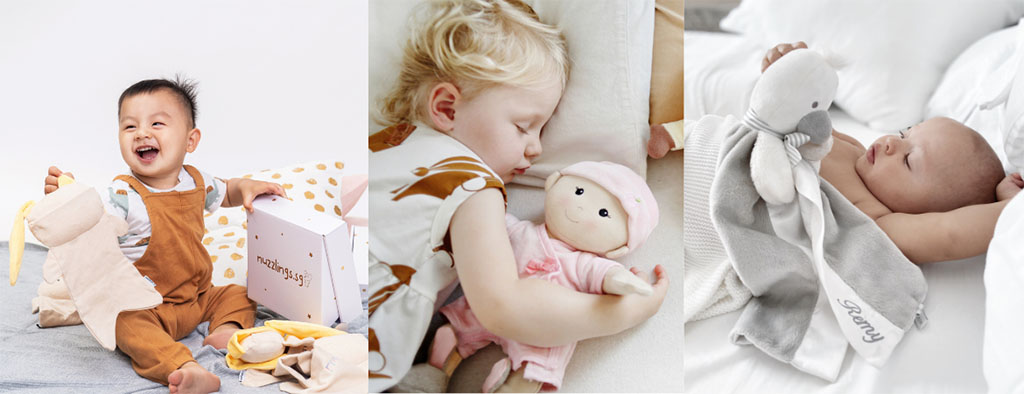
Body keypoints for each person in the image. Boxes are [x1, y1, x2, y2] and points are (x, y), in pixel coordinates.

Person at [366, 0, 668, 390]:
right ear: (446, 108)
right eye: (524, 126)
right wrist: (622, 312)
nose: (536, 149)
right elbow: (505, 307)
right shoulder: (472, 183)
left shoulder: (386, 143)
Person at [44, 78, 286, 394]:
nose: (142, 133)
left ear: (190, 140)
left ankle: (225, 330)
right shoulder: (122, 194)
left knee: (240, 293)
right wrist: (68, 199)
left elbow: (228, 192)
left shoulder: (198, 182)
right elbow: (90, 222)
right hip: (145, 305)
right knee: (124, 325)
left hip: (198, 297)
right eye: (130, 127)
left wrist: (248, 187)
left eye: (157, 123)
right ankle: (183, 367)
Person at [765, 42, 1024, 263]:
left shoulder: (878, 219)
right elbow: (792, 119)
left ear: (925, 213)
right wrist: (785, 78)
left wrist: (1010, 207)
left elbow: (950, 234)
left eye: (908, 161)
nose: (891, 143)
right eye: (905, 134)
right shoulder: (856, 150)